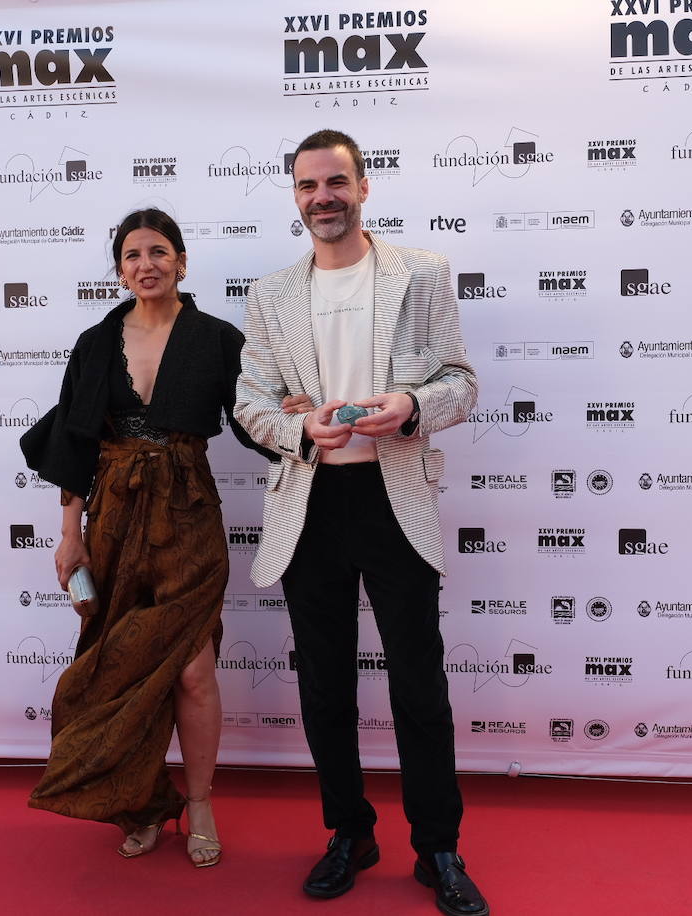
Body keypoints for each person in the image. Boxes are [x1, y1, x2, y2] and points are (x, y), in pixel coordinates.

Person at [233, 130, 489, 915]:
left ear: (364, 186)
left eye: (336, 181)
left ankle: (437, 846)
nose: (324, 197)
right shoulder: (271, 293)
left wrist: (412, 405)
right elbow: (250, 403)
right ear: (296, 196)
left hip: (394, 496)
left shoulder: (422, 274)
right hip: (310, 503)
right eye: (309, 186)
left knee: (419, 682)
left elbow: (462, 382)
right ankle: (349, 831)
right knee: (324, 688)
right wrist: (296, 428)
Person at [21, 208, 295, 867]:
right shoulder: (95, 343)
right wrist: (69, 536)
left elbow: (254, 419)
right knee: (119, 669)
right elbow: (75, 442)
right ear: (120, 269)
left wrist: (295, 417)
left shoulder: (216, 339)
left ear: (181, 261)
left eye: (159, 251)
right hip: (111, 520)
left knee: (194, 671)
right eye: (132, 255)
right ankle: (140, 803)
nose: (146, 264)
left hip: (187, 510)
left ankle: (198, 802)